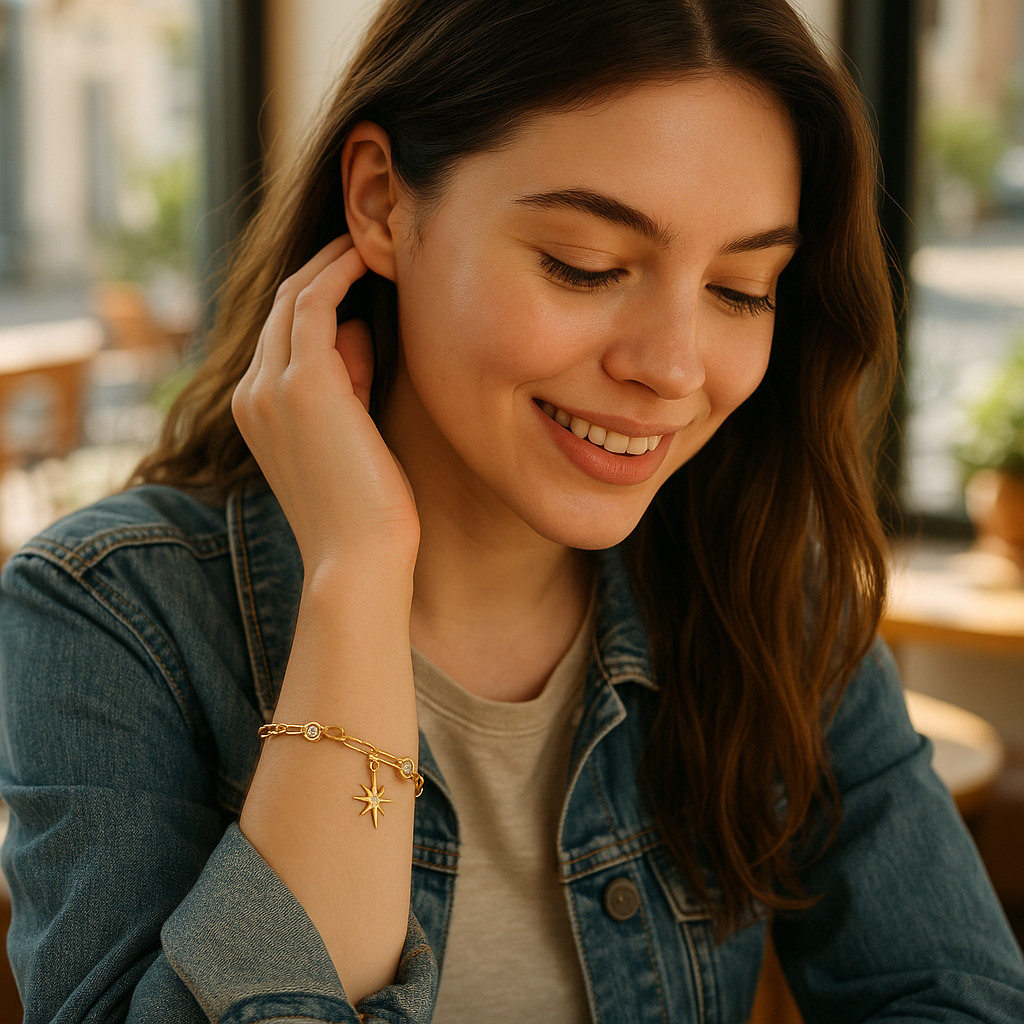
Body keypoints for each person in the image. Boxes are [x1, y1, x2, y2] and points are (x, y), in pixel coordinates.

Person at [1, 0, 1023, 1020]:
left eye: (741, 288)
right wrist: (356, 574)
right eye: (585, 265)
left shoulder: (768, 591)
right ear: (380, 201)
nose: (670, 368)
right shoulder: (107, 618)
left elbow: (957, 995)